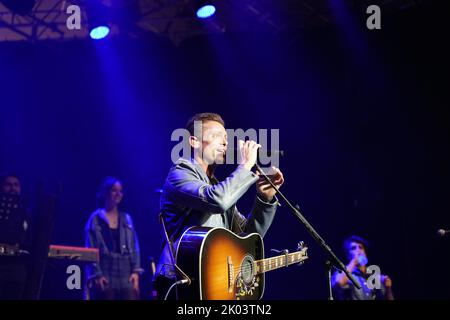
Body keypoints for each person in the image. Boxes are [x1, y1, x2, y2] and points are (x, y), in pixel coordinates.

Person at [153, 112, 285, 299]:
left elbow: (246, 237)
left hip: (212, 283)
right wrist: (246, 165)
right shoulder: (180, 174)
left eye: (226, 138)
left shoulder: (218, 186)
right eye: (216, 136)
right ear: (194, 142)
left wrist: (264, 199)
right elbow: (217, 201)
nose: (225, 143)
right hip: (181, 284)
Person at [85, 176, 144, 300]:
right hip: (105, 270)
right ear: (105, 193)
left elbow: (135, 246)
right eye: (114, 190)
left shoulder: (126, 218)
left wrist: (135, 272)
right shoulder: (95, 219)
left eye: (120, 191)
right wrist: (97, 274)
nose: (118, 194)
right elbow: (90, 248)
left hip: (126, 271)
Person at [332, 235, 394, 300]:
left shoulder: (374, 276)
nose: (358, 250)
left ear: (365, 252)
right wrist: (354, 261)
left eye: (360, 247)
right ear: (348, 255)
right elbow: (338, 283)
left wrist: (388, 288)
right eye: (353, 248)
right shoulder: (343, 274)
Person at [0, 172, 30, 300]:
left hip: (17, 268)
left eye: (16, 185)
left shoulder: (26, 213)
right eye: (8, 185)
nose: (13, 188)